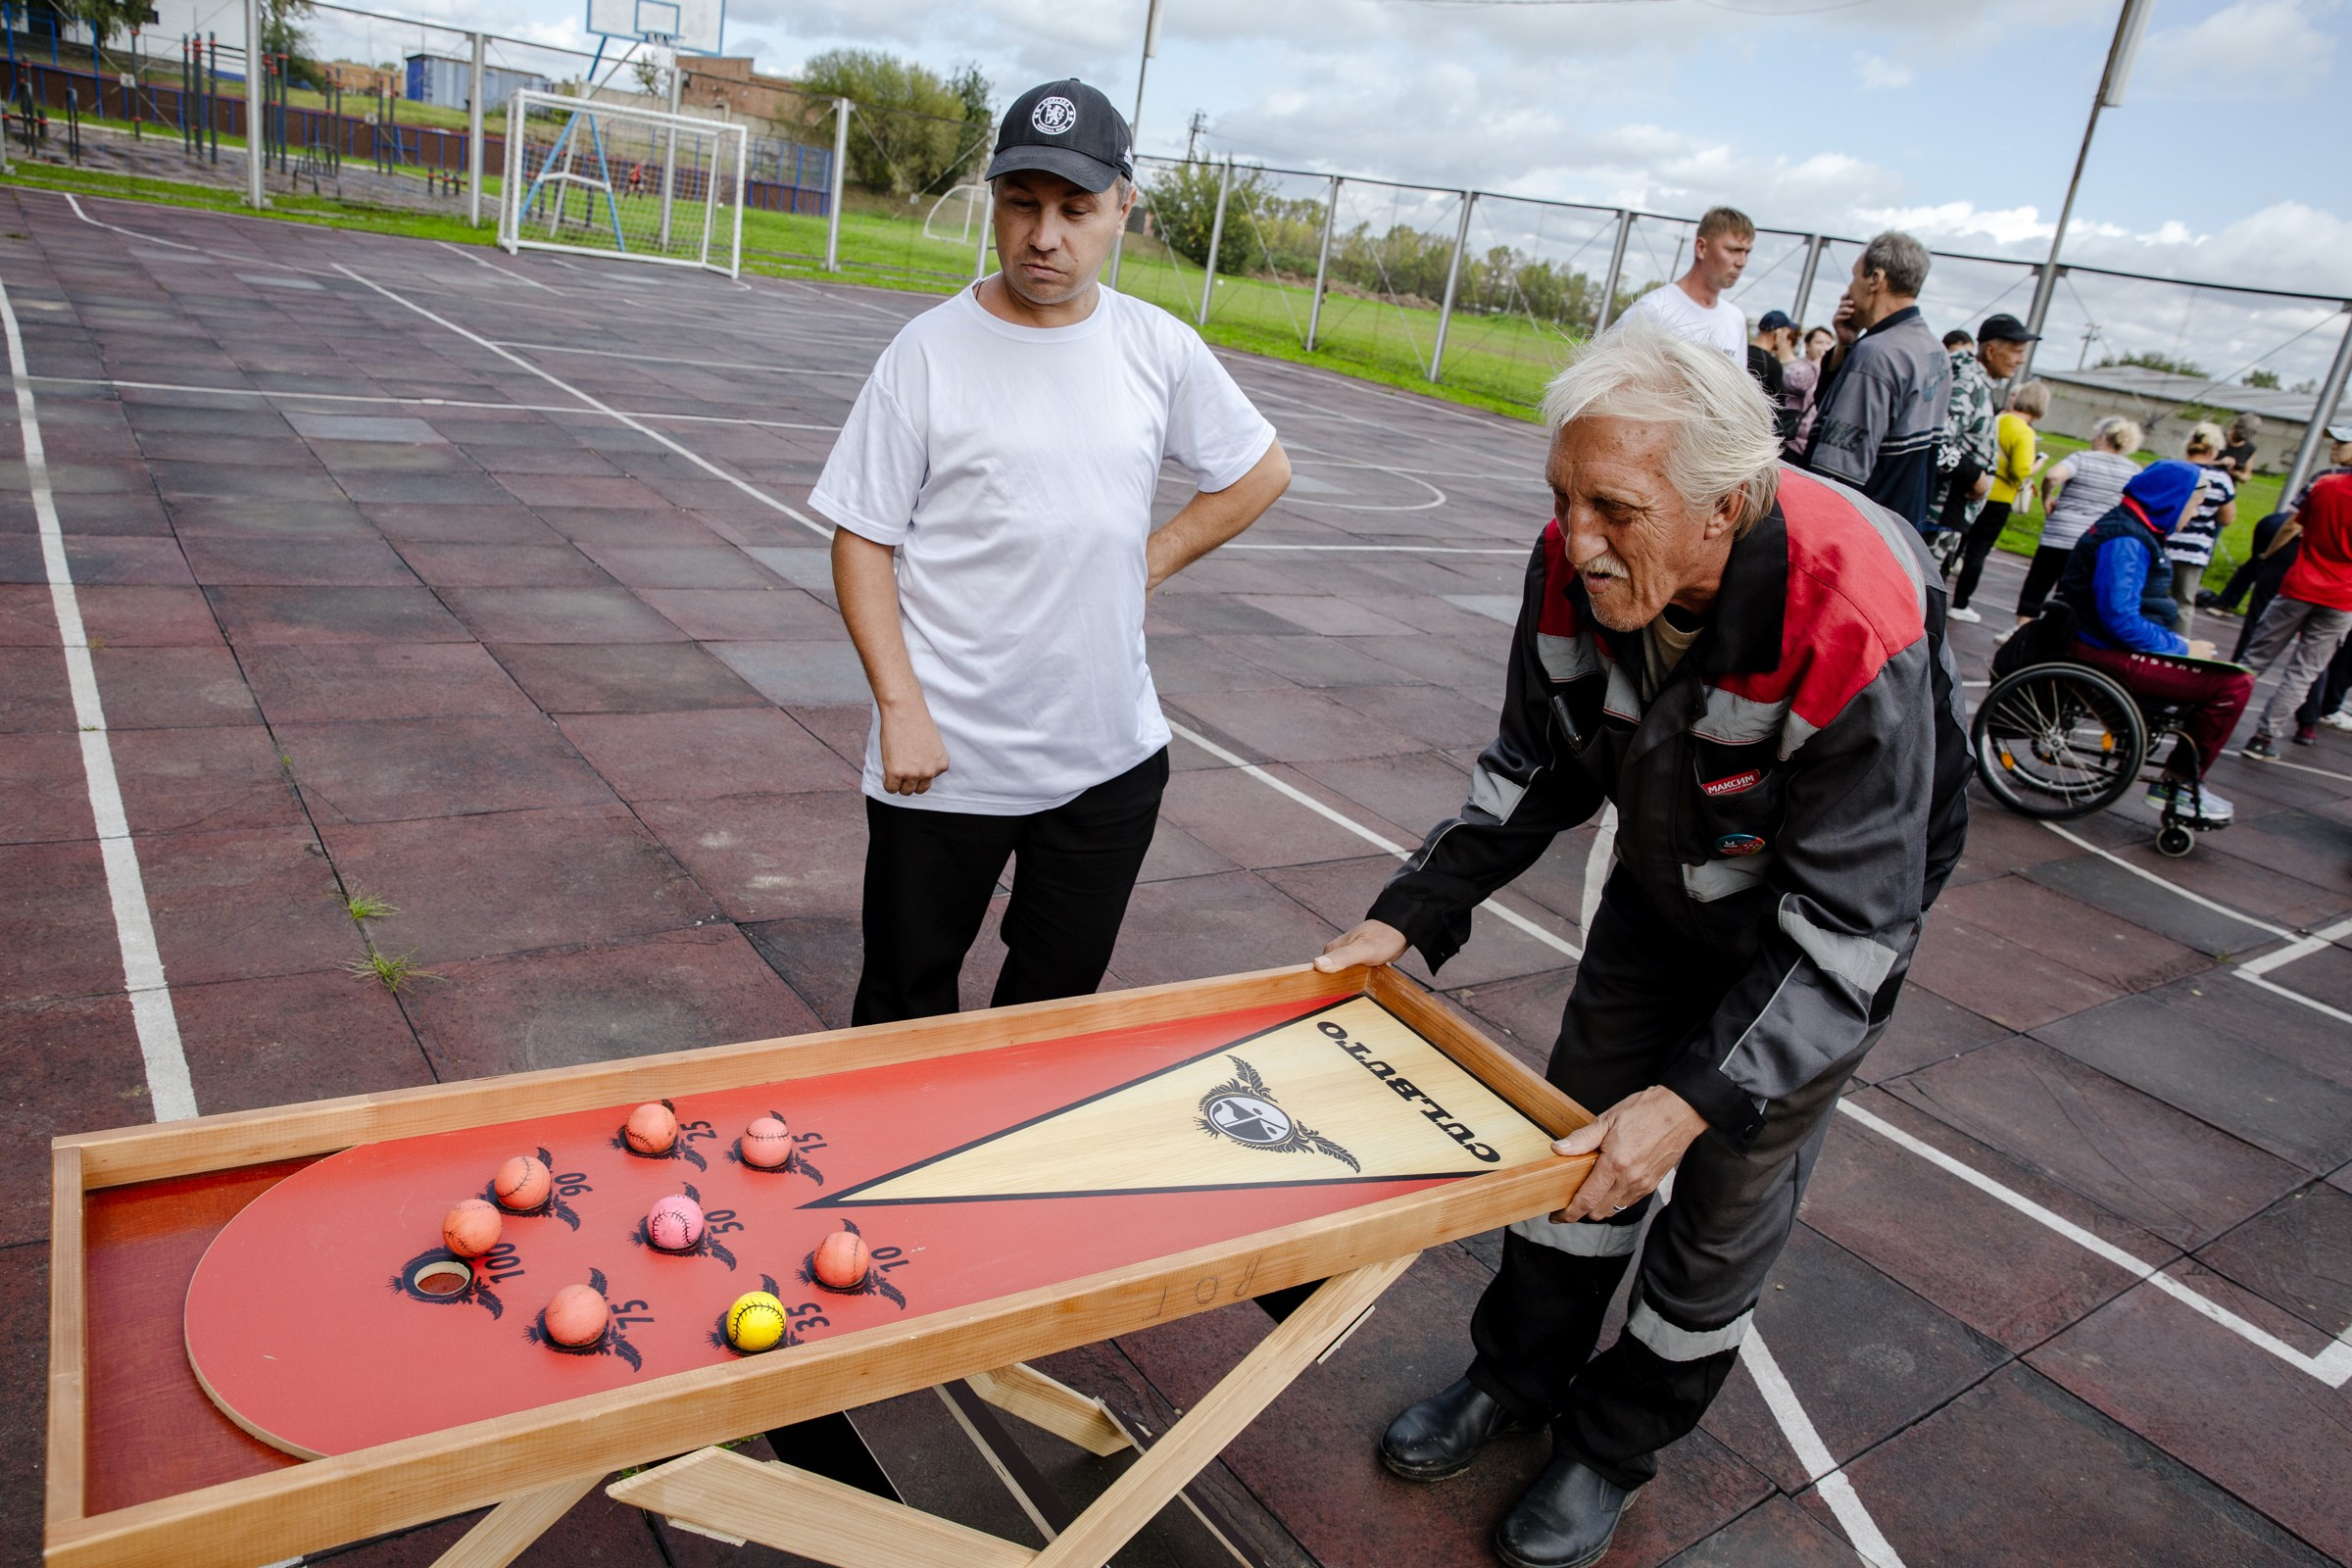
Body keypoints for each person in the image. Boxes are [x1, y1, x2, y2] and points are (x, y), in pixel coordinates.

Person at [1315, 317, 1969, 1568]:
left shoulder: (1852, 616)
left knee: (1717, 1214)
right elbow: (1534, 766)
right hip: (1665, 890)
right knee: (1577, 1159)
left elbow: (1852, 927)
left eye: (1613, 507)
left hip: (1816, 948)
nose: (1578, 540)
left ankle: (1610, 1447)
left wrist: (1694, 1096)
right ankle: (1512, 1380)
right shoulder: (1576, 563)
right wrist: (1407, 910)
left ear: (1723, 507)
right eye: (1563, 497)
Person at [812, 78, 1290, 1025]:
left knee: (1048, 1020)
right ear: (995, 202)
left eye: (1075, 210)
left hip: (1107, 760)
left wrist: (1145, 562)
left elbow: (1260, 470)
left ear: (1122, 206)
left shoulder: (1158, 347)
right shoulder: (928, 352)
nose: (1044, 236)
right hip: (943, 760)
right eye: (1022, 205)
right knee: (901, 1011)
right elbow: (861, 536)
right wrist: (900, 709)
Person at [2053, 461, 2250, 823]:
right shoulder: (2126, 539)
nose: (2192, 517)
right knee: (2233, 683)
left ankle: (2179, 778)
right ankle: (2177, 782)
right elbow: (2120, 619)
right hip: (2104, 650)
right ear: (2171, 500)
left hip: (2104, 643)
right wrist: (2182, 648)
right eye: (2193, 507)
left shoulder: (2132, 529)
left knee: (2223, 673)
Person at [1798, 230, 1949, 531]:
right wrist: (1844, 345)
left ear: (1876, 279)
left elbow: (1836, 476)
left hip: (1862, 532)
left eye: (1855, 275)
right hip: (1903, 532)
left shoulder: (1878, 354)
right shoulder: (1935, 350)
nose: (1849, 288)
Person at [2240, 462, 2352, 758]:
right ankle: (2264, 737)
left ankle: (2212, 712)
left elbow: (2293, 523)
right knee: (2303, 672)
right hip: (2342, 596)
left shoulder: (2327, 484)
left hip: (2300, 584)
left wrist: (2267, 555)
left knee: (2254, 658)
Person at [2013, 416, 2142, 626]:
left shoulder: (2082, 458)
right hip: (2095, 539)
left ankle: (2020, 629)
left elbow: (2053, 475)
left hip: (2061, 532)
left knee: (2038, 583)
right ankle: (2054, 635)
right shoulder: (2133, 470)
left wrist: (2047, 498)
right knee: (2071, 592)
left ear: (2101, 437)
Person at [1948, 378, 2049, 621]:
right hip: (2001, 496)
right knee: (1978, 552)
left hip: (1976, 488)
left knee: (1959, 543)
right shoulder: (2024, 432)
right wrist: (2040, 462)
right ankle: (1961, 603)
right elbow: (2021, 470)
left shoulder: (1998, 419)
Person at [1619, 207, 1753, 360]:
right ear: (1701, 248)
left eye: (1747, 252)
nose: (1742, 262)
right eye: (1733, 250)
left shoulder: (1736, 318)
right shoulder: (1653, 309)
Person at [2166, 422, 2237, 641]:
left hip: (2163, 542)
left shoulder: (2172, 469)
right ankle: (2178, 648)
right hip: (2193, 549)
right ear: (2213, 450)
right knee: (2184, 602)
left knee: (2150, 594)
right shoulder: (2220, 479)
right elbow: (2227, 518)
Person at [1927, 328, 1997, 546]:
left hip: (1949, 515)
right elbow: (1936, 443)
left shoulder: (1975, 381)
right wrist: (1975, 476)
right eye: (2017, 351)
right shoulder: (1966, 381)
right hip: (1939, 511)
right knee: (1925, 577)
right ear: (1991, 351)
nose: (2021, 360)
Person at [1787, 325, 1833, 453]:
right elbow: (1799, 384)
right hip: (1792, 440)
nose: (1824, 347)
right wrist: (1817, 363)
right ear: (1807, 346)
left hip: (1812, 443)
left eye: (1828, 343)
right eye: (1819, 342)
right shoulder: (1798, 366)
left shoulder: (1828, 373)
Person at [1746, 313, 1788, 407]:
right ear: (1778, 332)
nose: (1785, 339)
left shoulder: (1741, 351)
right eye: (1786, 334)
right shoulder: (1772, 364)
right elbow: (1779, 405)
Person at [2219, 414, 2262, 482]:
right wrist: (2220, 463)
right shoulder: (2218, 438)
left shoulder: (2249, 448)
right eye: (2238, 435)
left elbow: (2247, 475)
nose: (2241, 439)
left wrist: (2236, 474)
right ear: (2234, 426)